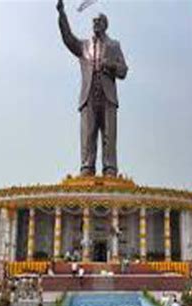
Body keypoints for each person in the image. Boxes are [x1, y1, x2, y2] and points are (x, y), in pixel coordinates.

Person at [56, 0, 128, 177]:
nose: (95, 24)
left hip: (107, 96)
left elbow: (123, 71)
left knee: (108, 134)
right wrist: (62, 15)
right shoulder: (84, 46)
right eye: (93, 22)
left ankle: (110, 168)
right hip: (88, 95)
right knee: (88, 134)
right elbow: (68, 39)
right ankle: (87, 167)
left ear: (105, 25)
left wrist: (110, 65)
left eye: (98, 21)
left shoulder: (114, 46)